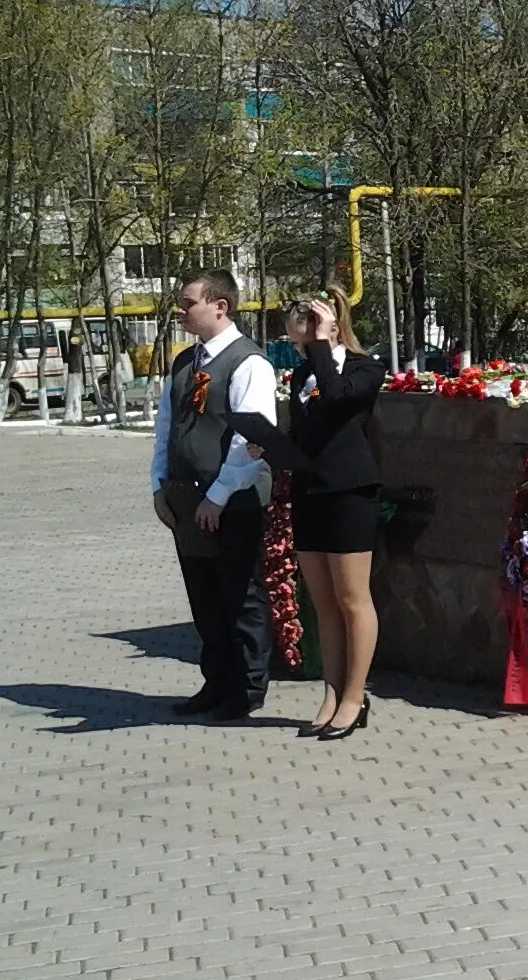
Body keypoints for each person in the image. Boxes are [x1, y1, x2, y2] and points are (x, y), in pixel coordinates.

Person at [150, 271, 277, 720]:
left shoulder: (249, 363)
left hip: (234, 498)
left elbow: (249, 439)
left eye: (189, 304)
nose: (181, 312)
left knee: (240, 594)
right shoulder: (185, 361)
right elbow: (166, 428)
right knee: (204, 597)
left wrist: (219, 495)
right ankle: (216, 680)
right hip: (187, 498)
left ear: (220, 306)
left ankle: (248, 688)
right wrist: (159, 486)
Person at [266, 287, 386, 741]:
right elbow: (309, 434)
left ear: (331, 325)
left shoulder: (365, 369)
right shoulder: (302, 375)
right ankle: (333, 693)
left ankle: (356, 696)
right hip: (310, 491)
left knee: (353, 599)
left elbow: (338, 400)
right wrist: (273, 448)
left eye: (308, 326)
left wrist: (320, 344)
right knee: (324, 604)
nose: (300, 338)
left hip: (351, 492)